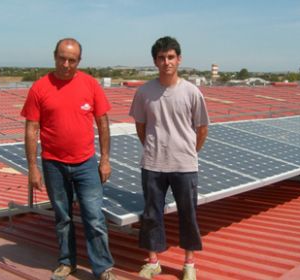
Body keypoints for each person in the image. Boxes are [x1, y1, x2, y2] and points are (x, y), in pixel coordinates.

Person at [21, 38, 117, 280]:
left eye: (71, 60)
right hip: (53, 164)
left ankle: (102, 268)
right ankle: (67, 263)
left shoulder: (91, 85)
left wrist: (105, 159)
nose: (66, 64)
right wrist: (32, 167)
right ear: (54, 56)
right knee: (62, 217)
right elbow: (31, 129)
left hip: (86, 164)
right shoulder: (39, 88)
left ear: (79, 61)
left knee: (94, 218)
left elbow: (103, 123)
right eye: (62, 58)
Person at [129, 36, 209, 280]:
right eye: (162, 58)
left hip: (184, 165)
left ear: (179, 59)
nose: (166, 62)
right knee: (152, 214)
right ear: (155, 61)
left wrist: (187, 151)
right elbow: (141, 126)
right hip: (153, 164)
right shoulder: (144, 92)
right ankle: (153, 261)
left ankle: (189, 264)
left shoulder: (192, 92)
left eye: (171, 57)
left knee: (188, 214)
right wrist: (154, 148)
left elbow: (202, 128)